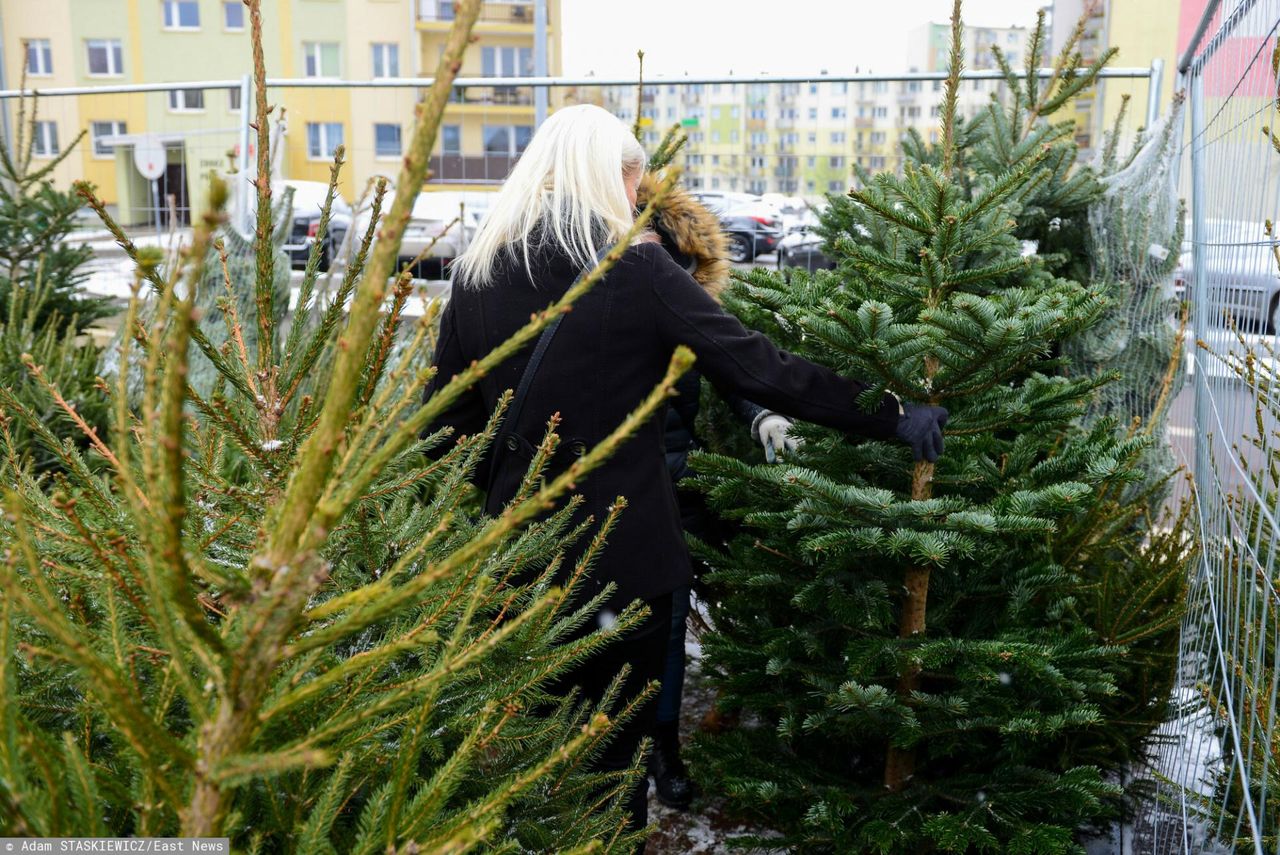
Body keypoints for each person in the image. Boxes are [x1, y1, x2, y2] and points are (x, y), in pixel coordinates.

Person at [420, 103, 948, 845]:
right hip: (625, 565)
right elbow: (759, 365)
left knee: (530, 759)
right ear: (609, 180)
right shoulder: (636, 270)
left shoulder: (476, 274)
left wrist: (509, 500)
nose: (636, 204)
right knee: (614, 765)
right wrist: (891, 415)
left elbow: (442, 431)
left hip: (518, 568)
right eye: (633, 187)